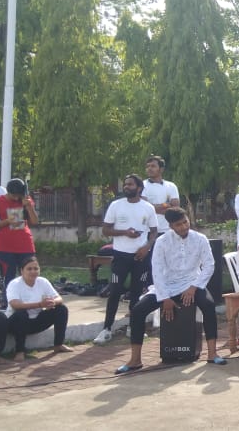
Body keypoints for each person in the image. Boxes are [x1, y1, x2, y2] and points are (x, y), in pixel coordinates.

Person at [115, 207, 226, 374]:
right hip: (166, 285)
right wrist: (165, 297)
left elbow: (209, 265)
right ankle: (135, 360)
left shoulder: (200, 239)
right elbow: (157, 271)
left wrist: (194, 287)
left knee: (208, 305)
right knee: (137, 311)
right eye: (178, 224)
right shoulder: (162, 241)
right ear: (170, 226)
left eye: (185, 222)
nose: (183, 227)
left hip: (192, 283)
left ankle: (212, 353)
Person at [94, 174, 158, 345]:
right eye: (125, 184)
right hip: (121, 255)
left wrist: (147, 247)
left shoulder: (148, 207)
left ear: (139, 188)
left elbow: (153, 231)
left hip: (141, 256)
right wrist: (124, 232)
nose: (126, 187)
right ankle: (106, 329)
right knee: (114, 292)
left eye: (130, 184)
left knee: (137, 293)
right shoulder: (116, 205)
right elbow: (106, 230)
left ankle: (133, 328)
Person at [5, 257, 75, 361]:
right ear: (21, 271)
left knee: (61, 309)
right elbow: (15, 304)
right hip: (16, 323)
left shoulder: (43, 281)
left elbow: (59, 298)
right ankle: (20, 351)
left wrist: (52, 303)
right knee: (21, 314)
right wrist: (39, 304)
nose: (33, 271)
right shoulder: (14, 284)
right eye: (29, 269)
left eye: (36, 268)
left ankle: (58, 345)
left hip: (36, 321)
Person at [0, 178, 38, 294]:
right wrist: (7, 221)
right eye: (13, 195)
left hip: (25, 243)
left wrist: (29, 207)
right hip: (6, 246)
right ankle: (9, 301)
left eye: (18, 195)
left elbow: (34, 221)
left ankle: (30, 298)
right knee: (9, 274)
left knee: (29, 272)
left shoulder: (25, 200)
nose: (16, 198)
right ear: (8, 192)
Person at [140, 155, 179, 238]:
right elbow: (144, 208)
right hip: (148, 231)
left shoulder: (171, 186)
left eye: (153, 166)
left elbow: (175, 209)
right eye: (147, 166)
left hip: (167, 230)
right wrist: (166, 205)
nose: (149, 168)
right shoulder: (141, 185)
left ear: (161, 169)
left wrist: (153, 207)